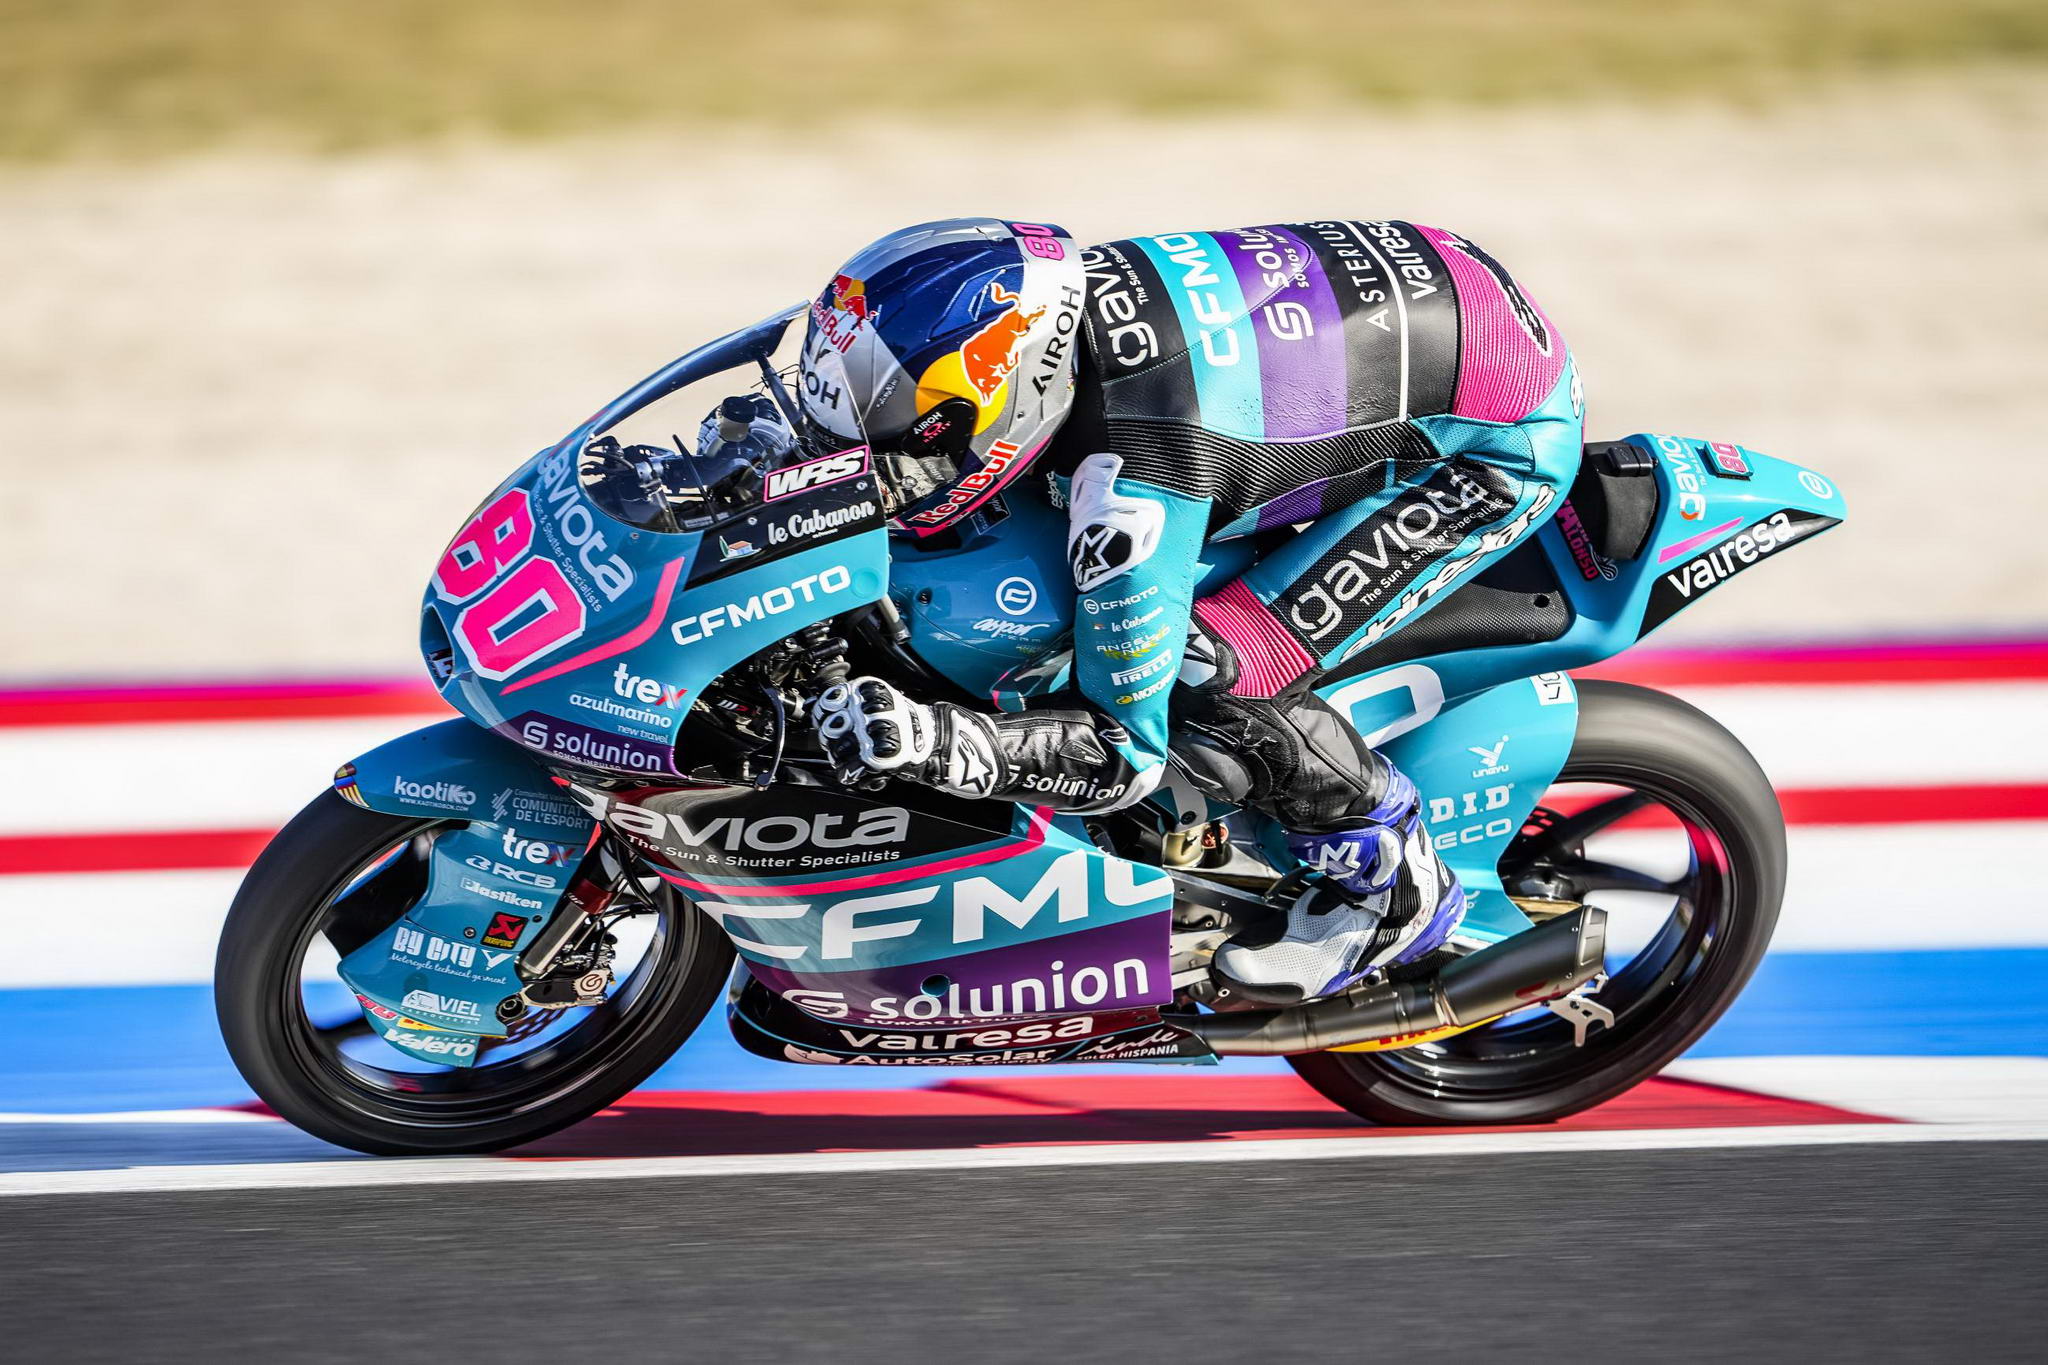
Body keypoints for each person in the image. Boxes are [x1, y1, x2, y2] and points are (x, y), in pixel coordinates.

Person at [802, 219, 1582, 1006]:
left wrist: (938, 741)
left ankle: (1391, 883)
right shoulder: (1038, 300)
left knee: (1213, 669)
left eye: (916, 442)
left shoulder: (1136, 480)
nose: (888, 462)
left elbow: (1122, 754)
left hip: (1496, 448)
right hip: (1434, 311)